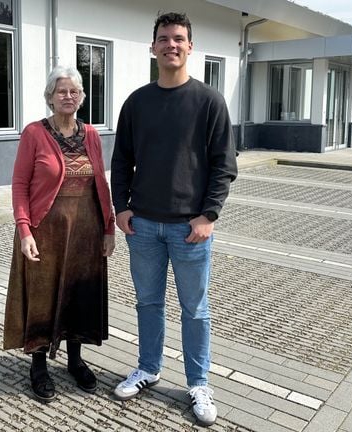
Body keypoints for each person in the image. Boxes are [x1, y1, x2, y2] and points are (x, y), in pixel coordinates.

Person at [110, 12, 238, 426]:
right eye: (163, 38)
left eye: (178, 38)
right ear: (153, 47)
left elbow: (224, 165)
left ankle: (199, 382)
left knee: (195, 309)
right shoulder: (137, 102)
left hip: (190, 230)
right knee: (148, 303)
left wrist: (209, 215)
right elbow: (122, 160)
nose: (171, 45)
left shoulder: (209, 101)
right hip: (143, 225)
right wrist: (121, 208)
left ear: (189, 46)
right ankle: (148, 368)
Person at [3, 65, 116, 402]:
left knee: (79, 294)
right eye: (61, 91)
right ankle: (38, 364)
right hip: (45, 230)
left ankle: (75, 360)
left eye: (74, 91)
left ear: (81, 97)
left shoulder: (92, 134)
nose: (68, 96)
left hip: (86, 228)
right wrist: (24, 230)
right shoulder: (34, 133)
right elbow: (21, 184)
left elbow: (101, 183)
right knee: (43, 295)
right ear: (50, 97)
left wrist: (108, 228)